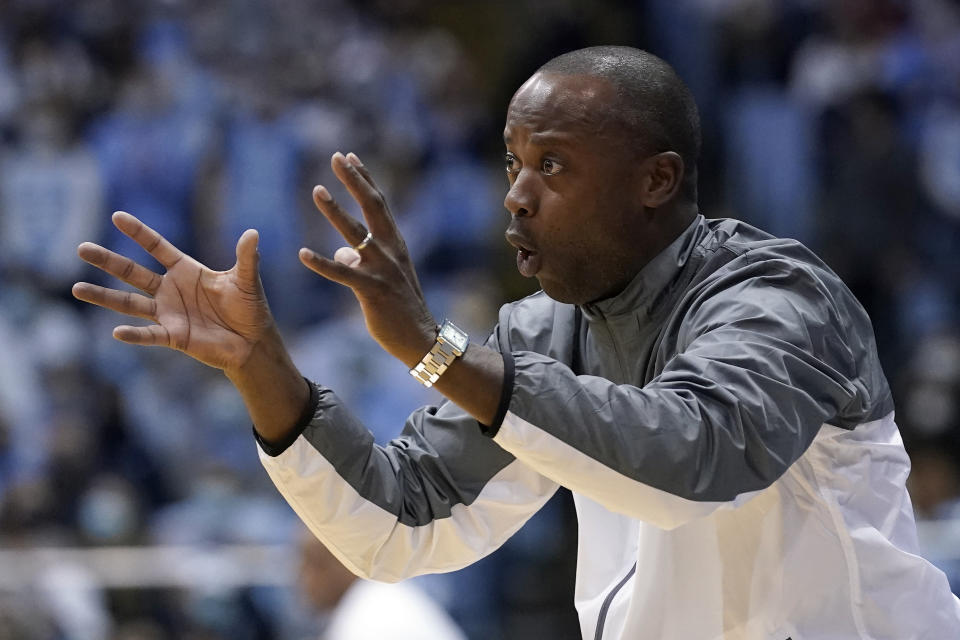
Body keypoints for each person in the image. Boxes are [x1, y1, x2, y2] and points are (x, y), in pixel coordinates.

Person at [72, 46, 960, 639]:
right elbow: (400, 525)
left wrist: (434, 347)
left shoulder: (778, 296)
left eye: (554, 166)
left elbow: (698, 458)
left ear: (657, 181)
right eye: (511, 163)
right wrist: (261, 365)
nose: (517, 195)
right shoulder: (538, 334)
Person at [297, 527, 467, 640]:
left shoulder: (370, 617)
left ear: (341, 566)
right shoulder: (379, 597)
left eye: (311, 564)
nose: (301, 578)